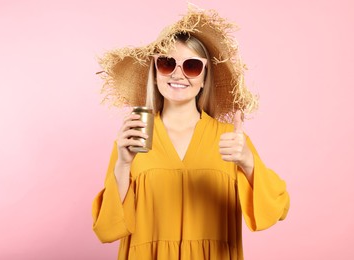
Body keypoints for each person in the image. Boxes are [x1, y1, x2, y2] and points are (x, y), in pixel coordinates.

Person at [92, 5, 290, 260]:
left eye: (192, 66)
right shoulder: (133, 138)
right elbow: (106, 229)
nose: (178, 74)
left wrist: (248, 163)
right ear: (155, 74)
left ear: (205, 77)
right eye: (166, 63)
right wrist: (122, 165)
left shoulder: (231, 140)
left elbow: (279, 208)